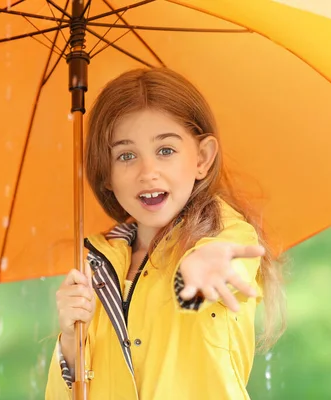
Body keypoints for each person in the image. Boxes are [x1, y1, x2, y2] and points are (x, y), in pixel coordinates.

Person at [46, 68, 285, 400]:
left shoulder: (226, 234)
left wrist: (201, 266)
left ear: (202, 158)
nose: (148, 172)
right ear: (107, 174)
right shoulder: (97, 267)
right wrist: (71, 342)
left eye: (166, 151)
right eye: (126, 156)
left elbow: (226, 267)